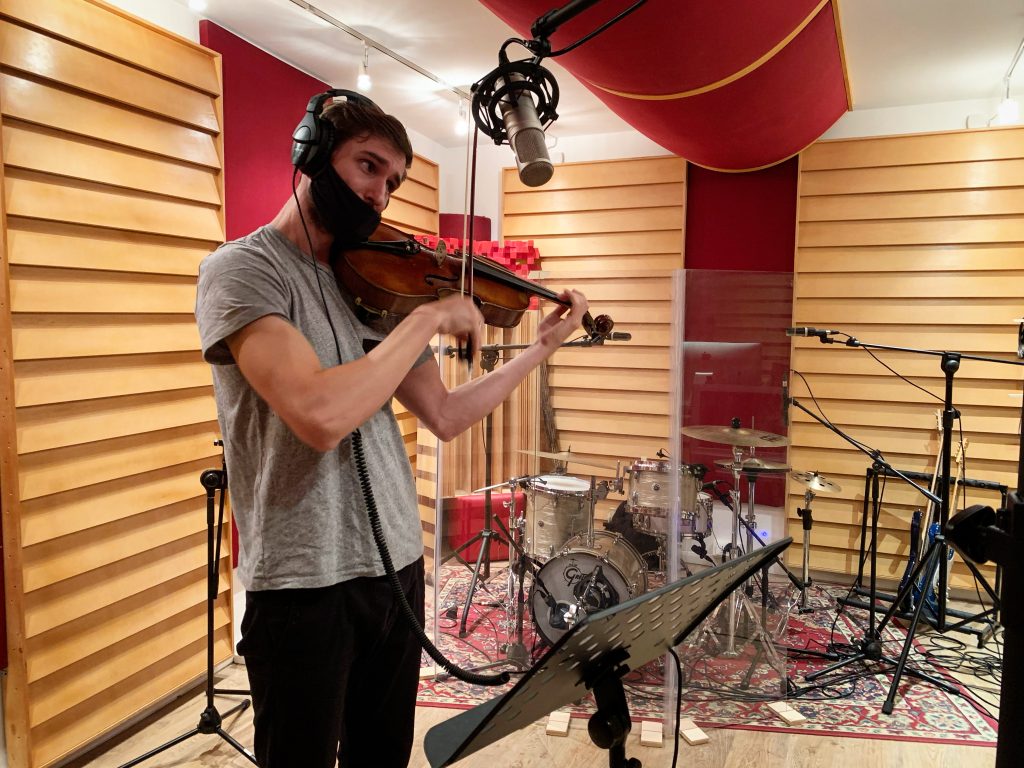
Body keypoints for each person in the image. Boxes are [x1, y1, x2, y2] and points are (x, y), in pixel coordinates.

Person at [194, 91, 589, 768]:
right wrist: (428, 319)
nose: (380, 194)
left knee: (383, 759)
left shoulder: (366, 283)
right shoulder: (243, 271)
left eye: (393, 181)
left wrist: (538, 349)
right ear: (314, 156)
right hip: (302, 583)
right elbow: (318, 416)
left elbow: (447, 415)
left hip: (396, 568)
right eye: (367, 166)